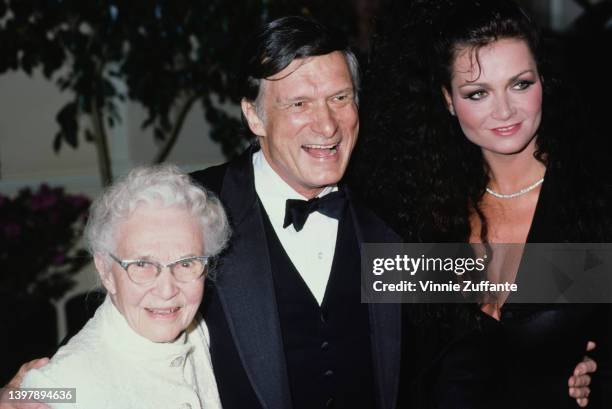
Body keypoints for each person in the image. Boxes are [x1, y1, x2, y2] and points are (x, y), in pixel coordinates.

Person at [351, 0, 610, 407]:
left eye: (520, 83)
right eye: (478, 93)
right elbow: (391, 354)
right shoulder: (423, 212)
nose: (504, 110)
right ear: (449, 100)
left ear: (544, 78)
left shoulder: (593, 202)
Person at [190, 16, 401, 409]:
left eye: (340, 98)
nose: (327, 126)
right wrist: (44, 384)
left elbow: (488, 284)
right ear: (254, 117)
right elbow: (121, 323)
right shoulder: (192, 207)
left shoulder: (389, 214)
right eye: (299, 104)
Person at [11, 165, 230, 409]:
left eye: (186, 263)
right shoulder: (59, 387)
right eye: (143, 264)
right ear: (106, 271)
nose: (167, 290)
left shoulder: (201, 328)